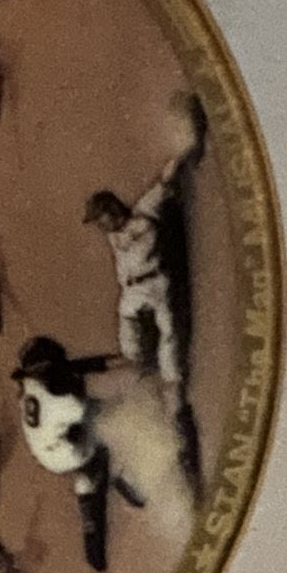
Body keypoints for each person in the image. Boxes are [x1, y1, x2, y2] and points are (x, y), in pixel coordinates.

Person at [83, 95, 209, 493]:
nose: (100, 226)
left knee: (172, 359)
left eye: (100, 218)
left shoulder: (144, 211)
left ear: (111, 210)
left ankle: (174, 402)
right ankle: (146, 378)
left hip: (157, 287)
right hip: (132, 299)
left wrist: (188, 145)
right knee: (132, 353)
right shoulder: (114, 236)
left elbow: (165, 180)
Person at [9, 337, 146, 572]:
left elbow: (78, 366)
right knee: (108, 431)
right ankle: (124, 487)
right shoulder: (62, 401)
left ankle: (88, 506)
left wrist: (116, 361)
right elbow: (84, 409)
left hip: (47, 452)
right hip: (68, 452)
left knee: (88, 455)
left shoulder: (30, 386)